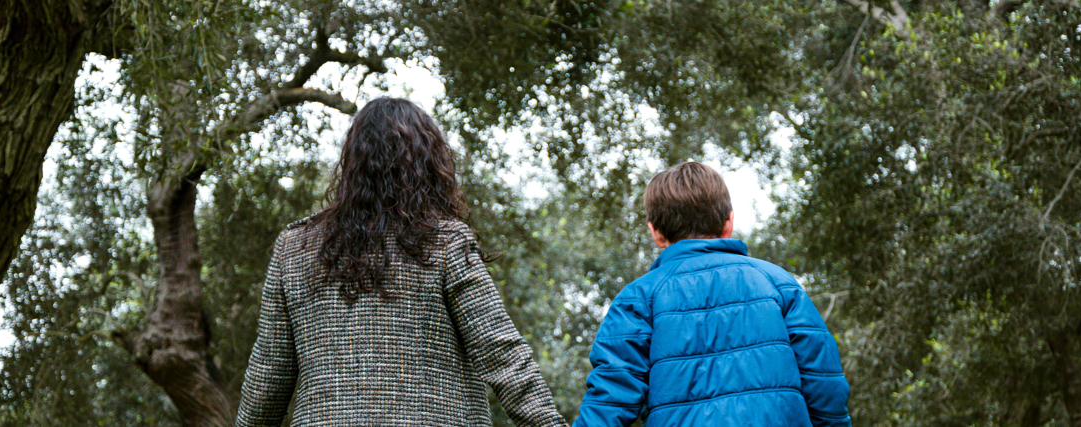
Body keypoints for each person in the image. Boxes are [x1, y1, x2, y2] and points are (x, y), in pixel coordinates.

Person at [235, 97, 565, 427]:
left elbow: (267, 378)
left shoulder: (294, 248)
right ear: (429, 162)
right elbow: (501, 353)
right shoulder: (446, 241)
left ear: (352, 161)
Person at [572, 162, 852, 427]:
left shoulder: (637, 299)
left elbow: (609, 401)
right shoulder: (778, 284)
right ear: (728, 223)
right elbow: (825, 385)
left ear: (655, 233)